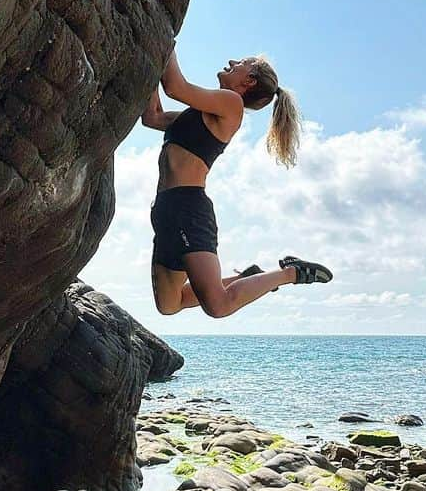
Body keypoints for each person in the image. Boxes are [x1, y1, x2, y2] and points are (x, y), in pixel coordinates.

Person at [142, 48, 332, 318]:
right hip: (164, 209)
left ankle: (291, 273)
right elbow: (153, 118)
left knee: (218, 306)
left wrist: (165, 41)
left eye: (240, 64)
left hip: (188, 209)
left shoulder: (231, 105)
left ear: (249, 81)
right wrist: (151, 64)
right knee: (169, 304)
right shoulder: (194, 115)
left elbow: (175, 87)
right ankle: (249, 277)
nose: (231, 62)